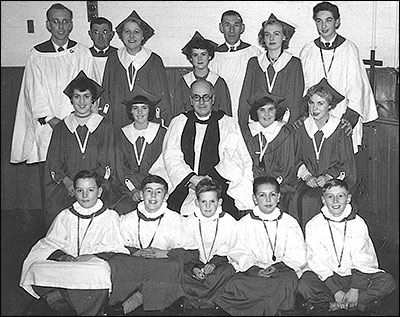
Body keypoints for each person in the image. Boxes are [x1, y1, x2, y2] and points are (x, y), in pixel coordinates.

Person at [10, 3, 98, 206]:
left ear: (71, 25)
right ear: (48, 25)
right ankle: (54, 225)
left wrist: (77, 119)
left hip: (78, 122)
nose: (61, 26)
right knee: (53, 178)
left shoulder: (82, 53)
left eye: (65, 21)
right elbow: (34, 91)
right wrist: (52, 120)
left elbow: (90, 87)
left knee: (80, 172)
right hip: (49, 126)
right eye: (56, 22)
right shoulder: (37, 55)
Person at [20, 170, 129, 316]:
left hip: (93, 264)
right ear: (74, 192)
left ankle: (54, 298)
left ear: (99, 191)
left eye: (90, 190)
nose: (85, 195)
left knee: (100, 272)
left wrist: (92, 256)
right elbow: (49, 243)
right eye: (80, 190)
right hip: (68, 264)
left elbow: (116, 247)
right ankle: (69, 300)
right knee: (36, 267)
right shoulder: (65, 215)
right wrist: (63, 257)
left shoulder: (109, 216)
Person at [297, 179, 396, 315]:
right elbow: (317, 260)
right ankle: (359, 303)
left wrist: (355, 288)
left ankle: (333, 305)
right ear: (323, 200)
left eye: (340, 196)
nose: (335, 201)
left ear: (348, 198)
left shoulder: (358, 223)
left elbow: (362, 257)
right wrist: (336, 290)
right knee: (304, 283)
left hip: (355, 275)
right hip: (329, 277)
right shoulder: (313, 225)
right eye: (330, 197)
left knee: (387, 282)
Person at [160, 79, 254, 220]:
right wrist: (193, 179)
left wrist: (208, 179)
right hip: (187, 185)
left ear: (213, 98)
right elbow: (171, 156)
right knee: (173, 216)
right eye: (196, 97)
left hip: (217, 185)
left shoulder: (227, 123)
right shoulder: (179, 122)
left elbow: (234, 158)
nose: (201, 102)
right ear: (191, 100)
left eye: (206, 97)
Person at [214, 176, 306, 316]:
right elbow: (238, 251)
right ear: (255, 199)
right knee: (236, 283)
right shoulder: (244, 223)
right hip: (254, 271)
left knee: (288, 281)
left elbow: (297, 253)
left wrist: (277, 267)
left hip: (281, 272)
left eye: (272, 195)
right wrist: (255, 269)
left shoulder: (289, 222)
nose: (268, 200)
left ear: (279, 197)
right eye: (262, 195)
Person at [105, 174, 193, 315]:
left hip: (162, 262)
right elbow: (116, 244)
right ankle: (151, 298)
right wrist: (135, 252)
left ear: (165, 197)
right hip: (136, 261)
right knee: (117, 260)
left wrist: (165, 253)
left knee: (173, 265)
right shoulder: (127, 219)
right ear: (141, 194)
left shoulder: (177, 220)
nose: (153, 195)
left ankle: (131, 303)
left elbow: (192, 251)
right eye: (148, 191)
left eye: (158, 192)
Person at [299, 1, 378, 154]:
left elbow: (356, 87)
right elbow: (303, 86)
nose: (323, 26)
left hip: (341, 114)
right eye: (319, 21)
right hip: (315, 114)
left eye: (328, 20)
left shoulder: (348, 49)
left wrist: (349, 118)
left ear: (337, 22)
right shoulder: (308, 50)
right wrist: (303, 113)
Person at [44, 70, 115, 228]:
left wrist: (88, 187)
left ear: (93, 100)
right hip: (67, 186)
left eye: (87, 96)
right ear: (71, 100)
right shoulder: (62, 128)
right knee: (57, 211)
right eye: (77, 96)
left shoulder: (104, 126)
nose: (82, 102)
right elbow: (54, 163)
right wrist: (69, 183)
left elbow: (107, 162)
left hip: (96, 186)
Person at [288, 78, 357, 230]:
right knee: (292, 198)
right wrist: (307, 176)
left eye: (320, 103)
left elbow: (346, 163)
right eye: (311, 103)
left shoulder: (340, 130)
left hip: (333, 181)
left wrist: (328, 176)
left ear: (330, 106)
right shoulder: (302, 128)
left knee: (314, 201)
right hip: (306, 180)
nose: (314, 108)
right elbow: (294, 158)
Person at [99, 10, 171, 129]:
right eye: (127, 32)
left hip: (146, 119)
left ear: (143, 36)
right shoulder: (114, 59)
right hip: (118, 118)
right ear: (122, 35)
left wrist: (161, 121)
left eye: (136, 32)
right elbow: (106, 93)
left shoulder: (154, 60)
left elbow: (162, 97)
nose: (131, 36)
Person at [180, 178, 237, 310]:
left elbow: (232, 248)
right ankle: (210, 299)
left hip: (218, 265)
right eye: (203, 201)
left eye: (212, 201)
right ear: (196, 202)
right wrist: (195, 267)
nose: (207, 206)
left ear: (219, 202)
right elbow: (186, 249)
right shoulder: (189, 222)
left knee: (228, 271)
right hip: (196, 267)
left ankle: (197, 299)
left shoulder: (229, 221)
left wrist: (214, 263)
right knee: (179, 270)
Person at [238, 13, 304, 128]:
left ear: (284, 37)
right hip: (256, 125)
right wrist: (244, 126)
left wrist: (288, 128)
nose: (271, 38)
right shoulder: (254, 63)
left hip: (283, 126)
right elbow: (245, 98)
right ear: (263, 38)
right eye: (267, 34)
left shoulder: (294, 63)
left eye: (276, 34)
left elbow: (295, 102)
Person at [110, 86, 167, 215]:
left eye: (144, 108)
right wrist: (133, 190)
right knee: (122, 209)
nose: (140, 112)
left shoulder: (162, 133)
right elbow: (120, 167)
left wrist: (152, 189)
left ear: (150, 110)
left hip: (156, 189)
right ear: (130, 111)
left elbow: (164, 164)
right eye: (135, 108)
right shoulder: (122, 134)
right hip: (130, 190)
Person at [242, 91, 296, 212]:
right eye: (262, 110)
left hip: (279, 184)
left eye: (271, 109)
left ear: (277, 111)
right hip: (252, 182)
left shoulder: (285, 132)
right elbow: (244, 161)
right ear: (255, 112)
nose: (267, 114)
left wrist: (266, 185)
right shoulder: (247, 132)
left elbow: (287, 166)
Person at [209, 10, 261, 122]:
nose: (231, 30)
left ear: (242, 28)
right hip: (222, 108)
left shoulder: (253, 53)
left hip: (247, 109)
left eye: (236, 25)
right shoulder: (214, 55)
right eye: (227, 25)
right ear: (221, 27)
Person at [172, 30, 232, 118]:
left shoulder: (219, 82)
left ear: (210, 56)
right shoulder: (183, 83)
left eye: (203, 54)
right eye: (195, 55)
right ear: (190, 58)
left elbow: (226, 114)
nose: (199, 59)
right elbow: (178, 114)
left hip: (214, 127)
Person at [88, 16, 118, 84]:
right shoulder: (85, 55)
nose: (100, 37)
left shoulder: (119, 55)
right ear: (90, 34)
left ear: (111, 35)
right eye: (96, 32)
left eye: (105, 32)